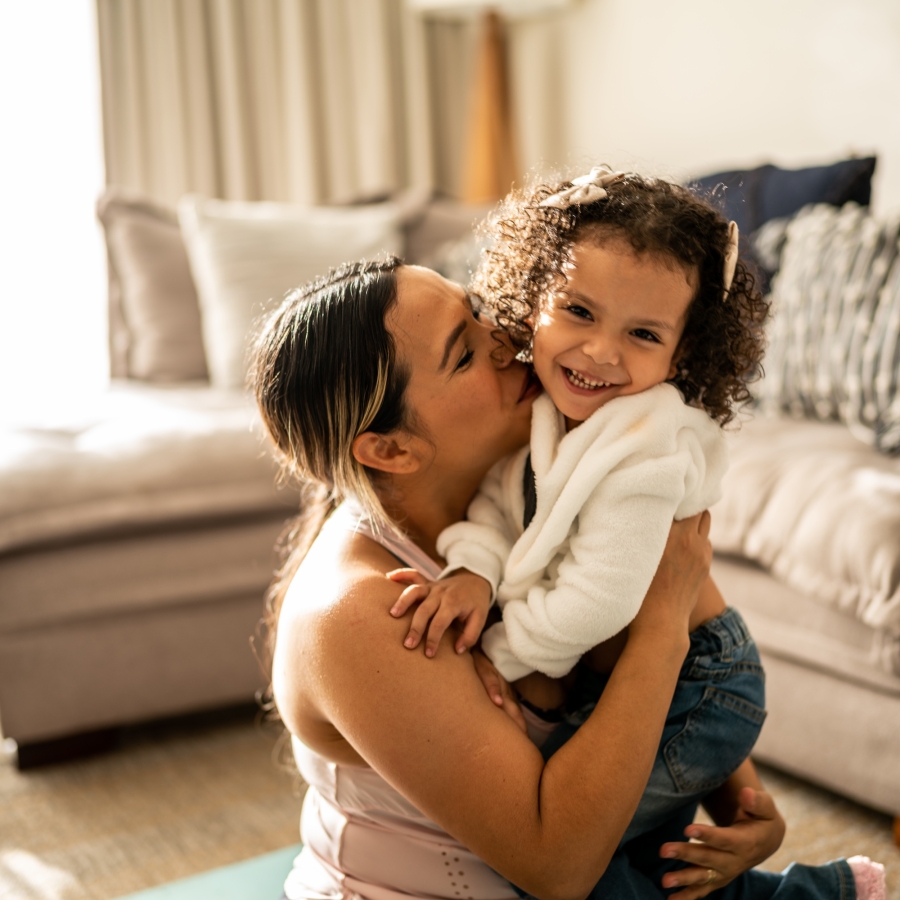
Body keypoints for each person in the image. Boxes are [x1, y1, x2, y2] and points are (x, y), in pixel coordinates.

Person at [252, 257, 880, 900]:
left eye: (479, 312)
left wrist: (745, 807)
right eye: (464, 355)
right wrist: (660, 624)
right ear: (390, 449)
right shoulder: (362, 612)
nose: (508, 338)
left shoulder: (559, 475)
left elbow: (700, 657)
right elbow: (560, 867)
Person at [386, 168, 762, 843]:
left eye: (644, 335)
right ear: (533, 299)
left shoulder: (647, 448)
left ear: (682, 355)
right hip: (621, 669)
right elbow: (505, 508)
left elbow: (600, 599)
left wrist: (496, 657)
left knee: (572, 843)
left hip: (701, 684)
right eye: (579, 311)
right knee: (641, 852)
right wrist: (473, 570)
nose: (600, 352)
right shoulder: (548, 413)